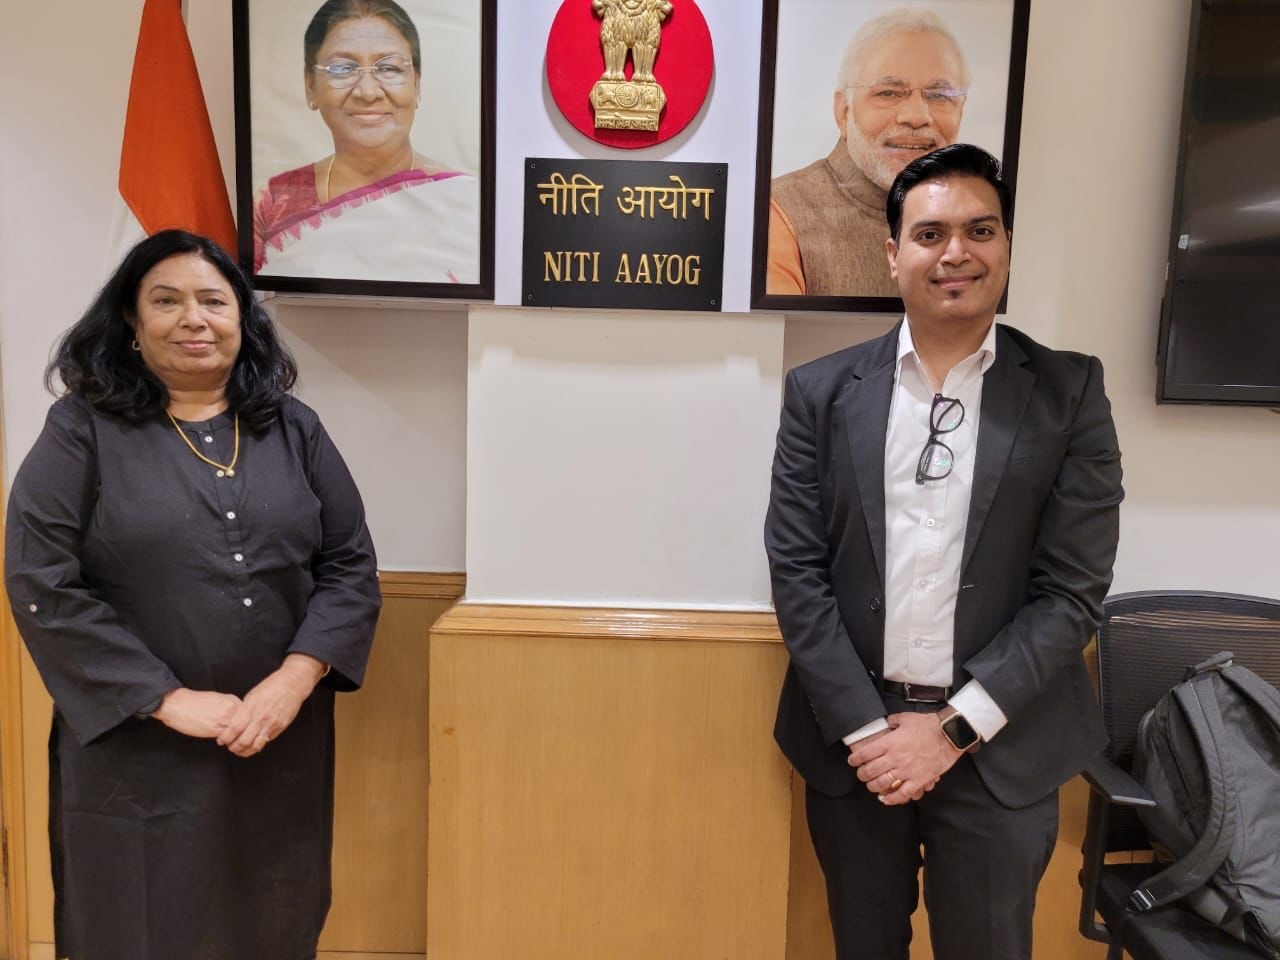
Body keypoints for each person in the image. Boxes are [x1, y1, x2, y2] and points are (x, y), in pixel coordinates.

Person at [764, 144, 1123, 959]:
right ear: (893, 254)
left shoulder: (1069, 393)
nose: (956, 252)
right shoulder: (821, 393)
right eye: (930, 234)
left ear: (1006, 245)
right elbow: (797, 572)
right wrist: (869, 732)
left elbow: (1071, 593)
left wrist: (950, 733)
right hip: (854, 747)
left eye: (979, 230)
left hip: (1002, 745)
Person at [5, 229, 382, 960]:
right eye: (166, 301)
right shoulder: (81, 429)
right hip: (138, 747)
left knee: (274, 915)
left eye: (213, 300)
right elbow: (40, 581)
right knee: (142, 925)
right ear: (131, 320)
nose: (193, 319)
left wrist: (294, 681)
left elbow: (349, 566)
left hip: (274, 737)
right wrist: (166, 699)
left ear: (243, 318)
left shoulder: (294, 428)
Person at [253, 0, 479, 284]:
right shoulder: (275, 202)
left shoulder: (467, 204)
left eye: (389, 69)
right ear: (310, 85)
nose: (368, 92)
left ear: (417, 84)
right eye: (342, 69)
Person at [767, 9, 968, 297]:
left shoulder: (976, 214)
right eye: (889, 93)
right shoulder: (780, 211)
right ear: (843, 111)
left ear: (961, 111)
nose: (916, 116)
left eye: (939, 95)